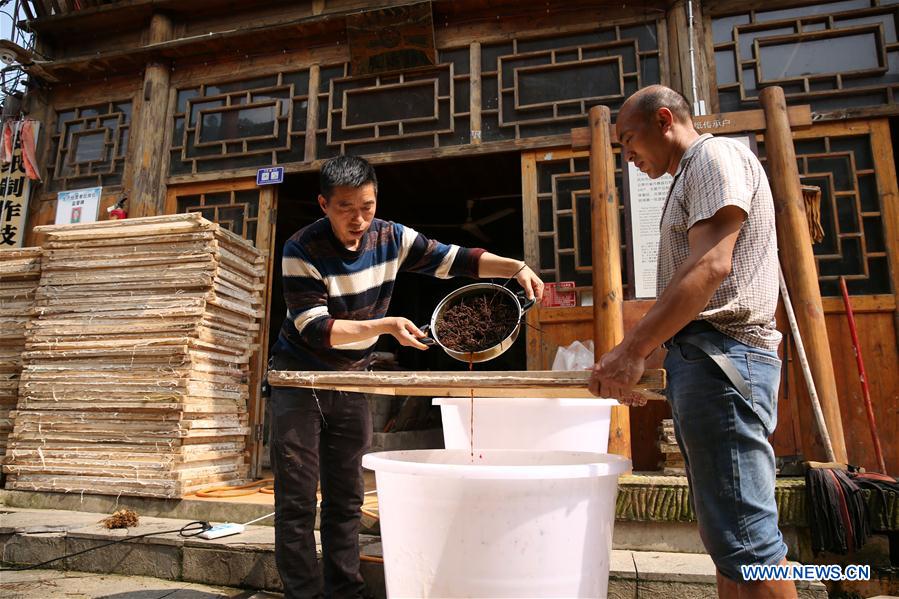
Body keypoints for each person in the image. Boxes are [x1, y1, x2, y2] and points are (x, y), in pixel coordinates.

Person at [268, 154, 544, 598]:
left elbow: (455, 259)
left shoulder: (391, 237)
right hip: (301, 381)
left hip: (354, 381)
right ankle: (304, 594)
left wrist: (513, 266)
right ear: (323, 204)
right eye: (345, 209)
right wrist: (384, 326)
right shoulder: (301, 248)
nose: (359, 219)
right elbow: (314, 328)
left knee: (347, 498)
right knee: (297, 501)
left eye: (367, 206)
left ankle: (347, 592)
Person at [589, 85, 798, 599]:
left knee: (749, 547)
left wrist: (630, 350)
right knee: (730, 542)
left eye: (629, 140)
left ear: (664, 120)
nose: (628, 156)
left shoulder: (714, 156)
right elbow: (693, 301)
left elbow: (711, 267)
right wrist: (653, 368)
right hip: (708, 361)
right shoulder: (691, 174)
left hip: (725, 364)